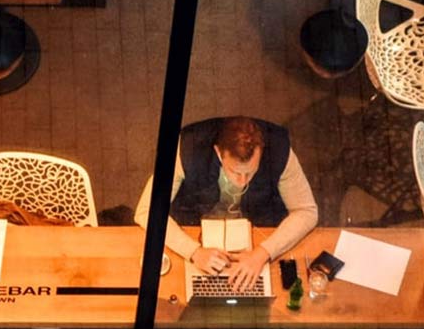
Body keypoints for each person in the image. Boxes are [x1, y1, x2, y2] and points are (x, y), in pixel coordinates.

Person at [135, 116, 319, 292]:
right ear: (218, 152)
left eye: (250, 172)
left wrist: (262, 254)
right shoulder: (186, 148)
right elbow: (146, 211)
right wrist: (194, 252)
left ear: (261, 151)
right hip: (197, 224)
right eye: (234, 171)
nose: (242, 181)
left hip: (256, 227)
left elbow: (306, 211)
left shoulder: (280, 149)